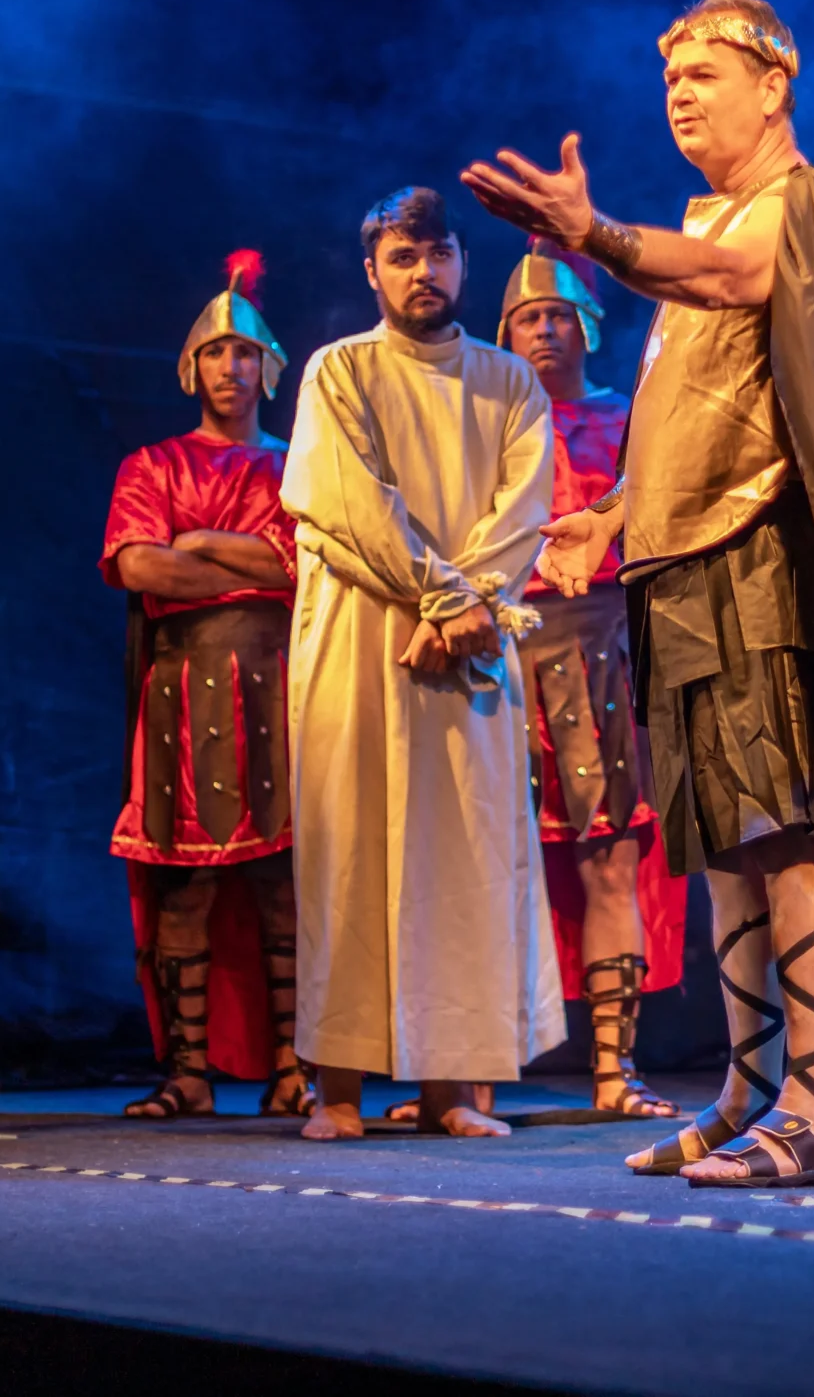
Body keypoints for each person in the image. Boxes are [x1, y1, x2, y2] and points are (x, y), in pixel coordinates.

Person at [463, 0, 814, 1187]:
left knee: (792, 837)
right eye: (670, 78)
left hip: (767, 568)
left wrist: (595, 235)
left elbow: (728, 279)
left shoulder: (796, 209)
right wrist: (614, 514)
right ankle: (745, 1094)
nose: (680, 93)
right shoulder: (707, 216)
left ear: (774, 86)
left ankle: (813, 1118)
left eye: (706, 72)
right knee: (728, 849)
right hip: (688, 570)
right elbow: (702, 409)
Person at [281, 187, 563, 1140]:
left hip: (466, 648)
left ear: (462, 264)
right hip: (361, 635)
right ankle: (337, 1091)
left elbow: (523, 512)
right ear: (373, 271)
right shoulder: (339, 370)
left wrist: (463, 605)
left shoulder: (510, 383)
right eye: (403, 257)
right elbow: (345, 505)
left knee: (463, 858)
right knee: (350, 847)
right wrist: (447, 598)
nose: (424, 273)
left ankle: (451, 1089)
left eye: (438, 254)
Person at [101, 249, 311, 1120]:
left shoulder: (301, 466)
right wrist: (249, 562)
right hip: (181, 693)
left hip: (280, 688)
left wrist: (202, 543)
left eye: (246, 352)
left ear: (270, 365)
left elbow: (305, 567)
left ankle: (295, 1065)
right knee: (183, 884)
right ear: (193, 366)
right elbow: (138, 564)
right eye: (217, 352)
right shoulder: (152, 465)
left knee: (283, 881)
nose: (232, 367)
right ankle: (188, 1070)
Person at [500, 238, 688, 1120]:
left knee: (610, 857)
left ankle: (616, 1070)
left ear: (589, 327)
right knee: (484, 865)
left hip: (604, 650)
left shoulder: (628, 419)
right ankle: (467, 1075)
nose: (544, 329)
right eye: (528, 317)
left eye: (559, 314)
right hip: (499, 654)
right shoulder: (486, 423)